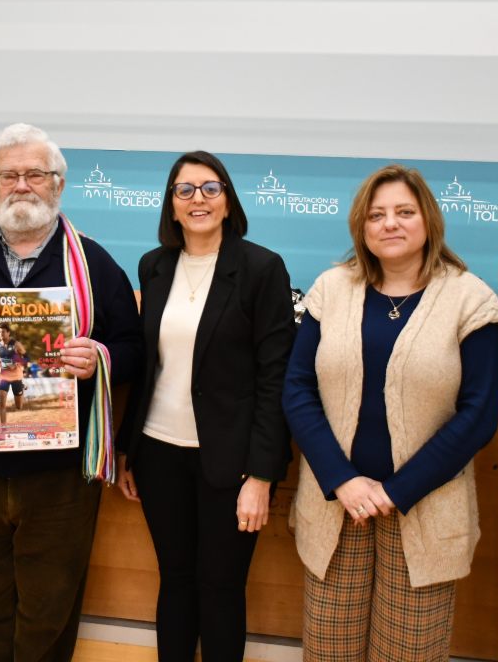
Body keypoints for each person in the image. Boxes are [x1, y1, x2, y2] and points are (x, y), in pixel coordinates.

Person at [0, 123, 144, 662]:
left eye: (34, 174)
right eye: (8, 175)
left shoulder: (95, 264)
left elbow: (132, 346)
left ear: (57, 184)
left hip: (58, 479)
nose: (21, 185)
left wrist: (100, 358)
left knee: (50, 605)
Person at [282, 164, 498, 661]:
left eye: (405, 212)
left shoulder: (469, 299)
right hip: (336, 509)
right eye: (377, 214)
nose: (391, 223)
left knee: (408, 654)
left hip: (424, 513)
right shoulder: (331, 289)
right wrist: (342, 479)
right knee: (328, 650)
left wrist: (395, 491)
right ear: (362, 226)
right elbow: (297, 389)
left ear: (428, 219)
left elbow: (479, 416)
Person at [115, 151, 295, 661]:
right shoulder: (154, 266)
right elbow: (152, 367)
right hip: (158, 453)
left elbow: (273, 379)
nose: (198, 199)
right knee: (174, 581)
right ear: (171, 206)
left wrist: (262, 476)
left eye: (210, 188)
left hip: (230, 462)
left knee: (220, 587)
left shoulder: (262, 269)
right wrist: (130, 450)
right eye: (185, 190)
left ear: (228, 200)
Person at [0, 323, 27, 423]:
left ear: (8, 333)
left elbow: (26, 358)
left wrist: (16, 364)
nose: (1, 334)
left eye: (3, 332)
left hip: (16, 376)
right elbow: (1, 357)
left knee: (19, 407)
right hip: (3, 377)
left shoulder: (16, 344)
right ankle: (3, 429)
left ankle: (21, 387)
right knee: (2, 403)